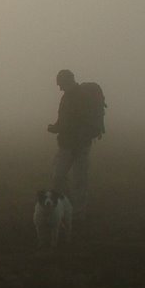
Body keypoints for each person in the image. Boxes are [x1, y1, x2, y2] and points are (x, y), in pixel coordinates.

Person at [47, 69, 96, 222]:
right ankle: (69, 207)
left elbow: (83, 122)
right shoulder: (66, 97)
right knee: (59, 177)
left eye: (60, 84)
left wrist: (77, 139)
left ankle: (78, 214)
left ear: (67, 81)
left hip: (79, 146)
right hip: (67, 145)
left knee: (78, 179)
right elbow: (63, 120)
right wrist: (55, 127)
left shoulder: (82, 97)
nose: (59, 88)